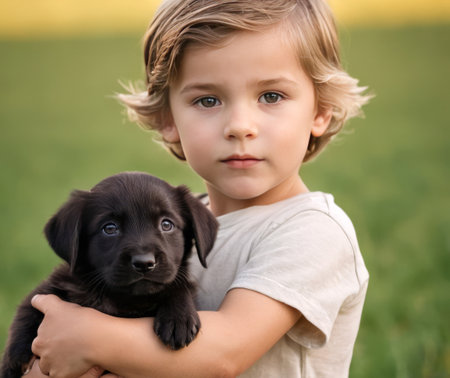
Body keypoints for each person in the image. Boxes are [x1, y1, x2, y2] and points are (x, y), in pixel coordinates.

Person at [27, 0, 372, 377]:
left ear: (320, 110)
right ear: (167, 119)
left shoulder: (312, 231)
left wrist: (87, 338)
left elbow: (225, 352)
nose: (240, 126)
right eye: (208, 100)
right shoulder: (173, 226)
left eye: (271, 96)